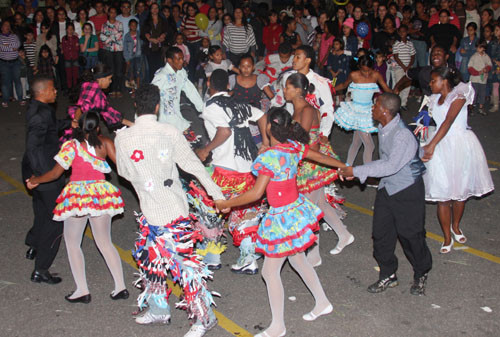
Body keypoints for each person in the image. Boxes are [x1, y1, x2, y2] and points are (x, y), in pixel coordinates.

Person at [215, 107, 345, 337]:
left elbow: (256, 194)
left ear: (268, 128)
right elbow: (319, 157)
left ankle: (278, 326)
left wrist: (228, 203)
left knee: (270, 271)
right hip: (295, 211)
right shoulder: (294, 147)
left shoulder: (270, 157)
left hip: (282, 217)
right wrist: (342, 166)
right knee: (298, 260)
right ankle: (322, 302)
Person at [115, 84, 224, 337]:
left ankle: (204, 317)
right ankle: (159, 310)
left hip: (158, 211)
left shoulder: (123, 137)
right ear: (157, 106)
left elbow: (124, 172)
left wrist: (144, 178)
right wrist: (217, 195)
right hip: (170, 208)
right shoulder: (170, 132)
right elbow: (194, 166)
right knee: (151, 262)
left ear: (135, 107)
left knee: (185, 267)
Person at [26, 111, 127, 303]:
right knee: (105, 242)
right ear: (97, 127)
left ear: (78, 127)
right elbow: (123, 168)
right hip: (100, 195)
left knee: (73, 243)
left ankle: (82, 290)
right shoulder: (105, 142)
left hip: (77, 197)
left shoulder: (71, 146)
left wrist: (35, 180)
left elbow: (55, 174)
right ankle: (120, 287)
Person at [339, 93, 433, 296]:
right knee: (381, 235)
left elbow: (390, 165)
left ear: (384, 110)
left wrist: (356, 171)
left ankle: (421, 272)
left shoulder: (401, 135)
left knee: (410, 235)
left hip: (407, 190)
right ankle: (388, 274)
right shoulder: (384, 127)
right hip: (388, 188)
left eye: (375, 105)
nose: (372, 109)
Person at [197, 69, 267, 273]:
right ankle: (248, 259)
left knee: (210, 211)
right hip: (247, 171)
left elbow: (224, 131)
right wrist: (264, 142)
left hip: (224, 172)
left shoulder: (210, 106)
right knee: (244, 212)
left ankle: (212, 257)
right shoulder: (239, 104)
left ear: (210, 87)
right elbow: (262, 115)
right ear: (228, 86)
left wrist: (206, 149)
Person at [422, 67, 494, 253]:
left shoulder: (460, 95)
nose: (430, 84)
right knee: (443, 195)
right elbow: (435, 123)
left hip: (460, 146)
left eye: (433, 81)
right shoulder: (434, 99)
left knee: (459, 193)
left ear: (444, 81)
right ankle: (447, 237)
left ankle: (456, 226)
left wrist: (431, 145)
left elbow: (448, 121)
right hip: (440, 146)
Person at [285, 73, 354, 257]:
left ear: (297, 90)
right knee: (320, 204)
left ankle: (313, 257)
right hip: (306, 161)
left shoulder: (307, 110)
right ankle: (344, 234)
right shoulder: (298, 108)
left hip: (311, 165)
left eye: (287, 87)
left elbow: (300, 140)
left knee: (309, 210)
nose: (284, 90)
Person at [22, 75, 67, 283]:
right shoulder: (39, 115)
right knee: (56, 220)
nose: (55, 91)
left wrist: (70, 122)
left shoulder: (40, 108)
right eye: (52, 89)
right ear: (42, 92)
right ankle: (41, 268)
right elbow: (33, 146)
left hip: (37, 169)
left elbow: (52, 127)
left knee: (41, 210)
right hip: (44, 171)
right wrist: (41, 178)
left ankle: (34, 244)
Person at [333, 54, 392, 167]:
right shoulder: (354, 75)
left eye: (368, 71)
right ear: (359, 67)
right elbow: (344, 85)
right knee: (370, 146)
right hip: (356, 111)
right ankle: (367, 173)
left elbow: (385, 88)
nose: (366, 74)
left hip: (368, 110)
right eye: (364, 71)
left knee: (356, 143)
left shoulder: (376, 75)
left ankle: (347, 167)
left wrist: (394, 95)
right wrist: (330, 88)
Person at [152, 46, 203, 134]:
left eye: (182, 58)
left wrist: (202, 108)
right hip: (163, 117)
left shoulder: (181, 73)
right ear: (169, 60)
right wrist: (141, 118)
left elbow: (190, 91)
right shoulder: (161, 76)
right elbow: (149, 95)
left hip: (176, 114)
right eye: (178, 59)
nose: (182, 61)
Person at [68, 63, 133, 134]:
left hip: (86, 123)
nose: (110, 81)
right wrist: (75, 123)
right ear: (101, 79)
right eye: (109, 79)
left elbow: (108, 112)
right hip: (82, 124)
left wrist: (131, 124)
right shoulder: (93, 89)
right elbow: (81, 107)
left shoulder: (92, 86)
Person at [100, 7, 124, 98]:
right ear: (108, 13)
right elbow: (102, 38)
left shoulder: (119, 24)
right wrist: (112, 38)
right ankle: (112, 89)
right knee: (111, 70)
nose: (113, 14)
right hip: (108, 50)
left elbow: (120, 35)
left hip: (118, 50)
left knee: (119, 71)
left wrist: (109, 38)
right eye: (111, 12)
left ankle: (118, 89)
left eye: (114, 12)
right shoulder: (104, 25)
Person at [0, 20, 24, 108]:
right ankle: (6, 100)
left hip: (15, 62)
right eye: (6, 25)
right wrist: (10, 47)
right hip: (4, 62)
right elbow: (1, 47)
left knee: (17, 81)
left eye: (9, 25)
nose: (7, 27)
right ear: (2, 27)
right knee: (6, 82)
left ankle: (20, 99)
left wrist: (6, 47)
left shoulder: (14, 36)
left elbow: (17, 45)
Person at [392, 24, 415, 110]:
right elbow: (396, 56)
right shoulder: (397, 44)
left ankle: (403, 103)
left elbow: (413, 56)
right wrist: (403, 66)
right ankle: (397, 103)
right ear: (398, 32)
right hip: (399, 67)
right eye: (400, 32)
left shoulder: (410, 44)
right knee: (399, 84)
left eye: (404, 31)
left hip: (408, 68)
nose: (402, 33)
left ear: (407, 32)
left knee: (407, 85)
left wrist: (409, 66)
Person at [468, 41, 492, 115]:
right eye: (477, 47)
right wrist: (477, 72)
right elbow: (469, 67)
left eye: (480, 47)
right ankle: (471, 108)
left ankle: (481, 107)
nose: (478, 49)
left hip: (483, 79)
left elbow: (489, 65)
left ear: (483, 48)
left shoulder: (486, 57)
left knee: (482, 94)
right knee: (474, 94)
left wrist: (486, 69)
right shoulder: (474, 57)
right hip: (475, 79)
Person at [123, 19, 143, 96]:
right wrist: (126, 59)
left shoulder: (139, 34)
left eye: (135, 25)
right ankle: (133, 90)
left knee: (138, 73)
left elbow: (142, 43)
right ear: (129, 26)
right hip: (130, 57)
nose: (133, 26)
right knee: (131, 74)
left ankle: (138, 89)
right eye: (132, 25)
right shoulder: (127, 36)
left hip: (138, 56)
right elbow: (125, 48)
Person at [61, 23, 79, 90]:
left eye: (72, 29)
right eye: (69, 29)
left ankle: (75, 88)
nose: (70, 30)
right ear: (66, 30)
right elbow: (64, 49)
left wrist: (72, 46)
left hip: (75, 58)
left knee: (75, 74)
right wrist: (72, 46)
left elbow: (77, 48)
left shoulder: (76, 38)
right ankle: (69, 88)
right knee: (68, 75)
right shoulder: (64, 38)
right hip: (67, 58)